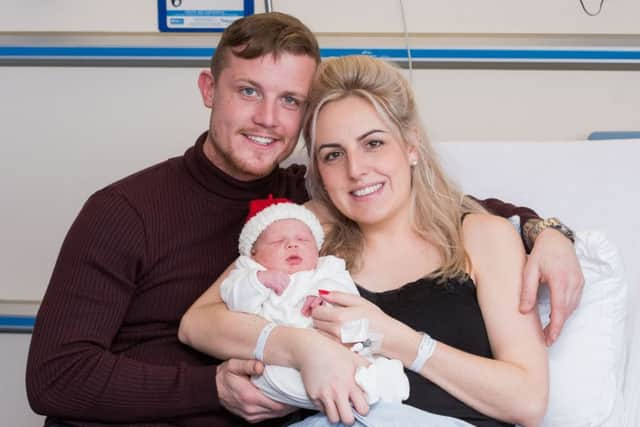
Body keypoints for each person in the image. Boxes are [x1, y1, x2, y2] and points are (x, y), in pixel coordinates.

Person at [25, 11, 581, 427]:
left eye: (290, 100)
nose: (268, 119)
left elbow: (436, 202)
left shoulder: (313, 202)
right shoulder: (130, 211)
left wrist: (545, 231)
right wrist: (234, 378)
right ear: (207, 89)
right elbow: (58, 377)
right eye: (248, 91)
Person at [178, 55, 550, 427]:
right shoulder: (308, 231)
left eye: (373, 143)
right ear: (319, 171)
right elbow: (198, 322)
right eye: (334, 155)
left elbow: (528, 400)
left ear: (410, 144)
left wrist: (399, 341)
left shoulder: (482, 238)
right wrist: (304, 349)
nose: (355, 171)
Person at [221, 195, 412, 409]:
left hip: (338, 342)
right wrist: (258, 281)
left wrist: (323, 297)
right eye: (277, 242)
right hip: (285, 358)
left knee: (367, 345)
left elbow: (347, 295)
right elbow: (235, 301)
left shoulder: (326, 268)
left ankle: (380, 380)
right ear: (253, 253)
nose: (292, 244)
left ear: (316, 248)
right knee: (268, 379)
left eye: (303, 240)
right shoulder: (248, 271)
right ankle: (349, 393)